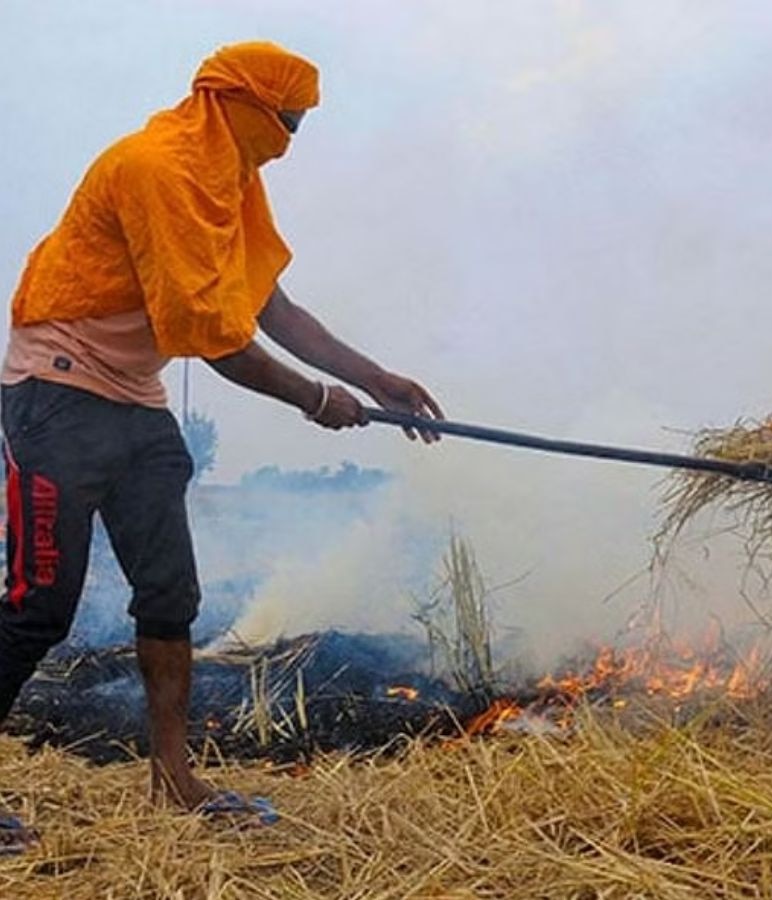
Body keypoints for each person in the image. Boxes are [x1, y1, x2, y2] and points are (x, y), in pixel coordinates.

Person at [0, 41, 443, 844]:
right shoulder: (158, 167)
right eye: (289, 119)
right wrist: (315, 399)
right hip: (57, 391)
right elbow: (211, 335)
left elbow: (268, 304)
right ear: (238, 104)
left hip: (134, 397)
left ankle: (175, 779)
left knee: (171, 599)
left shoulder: (228, 180)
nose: (292, 139)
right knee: (40, 608)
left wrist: (377, 379)